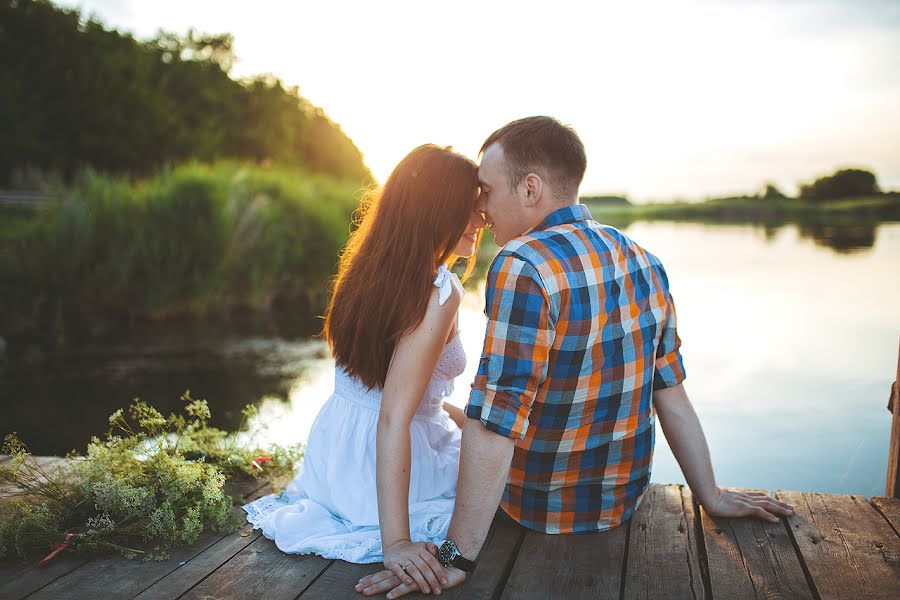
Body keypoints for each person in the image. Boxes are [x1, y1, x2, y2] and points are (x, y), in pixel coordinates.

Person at [356, 117, 795, 598]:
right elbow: (669, 389)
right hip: (619, 504)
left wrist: (455, 555)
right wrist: (710, 493)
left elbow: (498, 420)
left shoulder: (522, 264)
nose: (479, 206)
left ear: (530, 189)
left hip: (535, 508)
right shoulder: (645, 259)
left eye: (486, 189)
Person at [243, 144, 486, 595]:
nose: (481, 220)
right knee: (500, 486)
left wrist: (464, 419)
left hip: (336, 457)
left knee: (483, 438)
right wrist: (396, 541)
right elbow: (394, 414)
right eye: (469, 208)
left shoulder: (367, 269)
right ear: (437, 211)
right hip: (390, 467)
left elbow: (394, 395)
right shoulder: (440, 291)